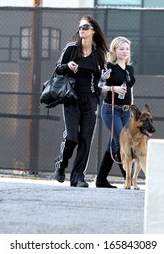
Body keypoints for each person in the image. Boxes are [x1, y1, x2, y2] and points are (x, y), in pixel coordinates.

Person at [54, 15, 109, 188]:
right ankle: (61, 164)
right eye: (80, 27)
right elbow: (57, 70)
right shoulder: (71, 49)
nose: (82, 30)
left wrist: (104, 77)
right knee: (72, 138)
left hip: (91, 100)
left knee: (85, 139)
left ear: (93, 31)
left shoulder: (99, 55)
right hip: (71, 98)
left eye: (85, 27)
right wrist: (67, 66)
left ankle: (78, 177)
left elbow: (101, 83)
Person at [96, 36, 136, 188]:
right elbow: (99, 87)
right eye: (121, 49)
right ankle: (129, 179)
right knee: (122, 141)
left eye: (127, 48)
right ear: (114, 50)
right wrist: (113, 88)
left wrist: (132, 108)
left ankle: (100, 180)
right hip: (111, 110)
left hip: (126, 112)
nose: (125, 51)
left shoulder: (130, 69)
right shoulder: (109, 67)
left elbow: (131, 90)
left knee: (112, 145)